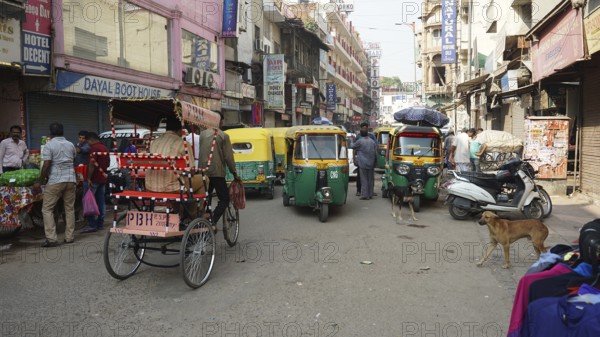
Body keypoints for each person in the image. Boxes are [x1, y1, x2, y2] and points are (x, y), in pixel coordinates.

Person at [39, 123, 76, 247]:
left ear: (50, 133)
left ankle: (51, 239)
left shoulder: (49, 145)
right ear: (62, 132)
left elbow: (46, 164)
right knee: (69, 208)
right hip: (71, 179)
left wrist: (39, 181)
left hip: (56, 180)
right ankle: (69, 237)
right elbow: (73, 159)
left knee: (47, 209)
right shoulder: (70, 144)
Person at [198, 113, 240, 225]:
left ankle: (205, 217)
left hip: (203, 171)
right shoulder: (223, 136)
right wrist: (234, 173)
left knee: (207, 196)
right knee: (225, 199)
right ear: (220, 121)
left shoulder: (202, 134)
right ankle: (212, 221)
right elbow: (228, 157)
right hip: (217, 171)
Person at [146, 116, 204, 194]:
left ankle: (181, 205)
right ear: (180, 130)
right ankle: (194, 206)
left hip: (150, 187)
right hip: (174, 188)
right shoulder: (184, 144)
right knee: (205, 179)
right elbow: (191, 170)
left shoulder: (154, 142)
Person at [80, 132, 109, 233]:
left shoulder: (94, 148)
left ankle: (92, 225)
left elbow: (92, 164)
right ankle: (100, 224)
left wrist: (88, 178)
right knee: (101, 201)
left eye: (87, 141)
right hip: (103, 178)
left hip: (94, 179)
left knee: (88, 201)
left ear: (90, 140)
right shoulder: (104, 148)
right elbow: (108, 163)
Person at [351, 127, 377, 200]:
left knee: (364, 179)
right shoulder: (372, 141)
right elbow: (375, 151)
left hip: (362, 163)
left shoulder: (360, 141)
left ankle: (365, 195)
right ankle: (370, 194)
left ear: (361, 134)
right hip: (371, 162)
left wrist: (352, 140)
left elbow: (352, 146)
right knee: (370, 179)